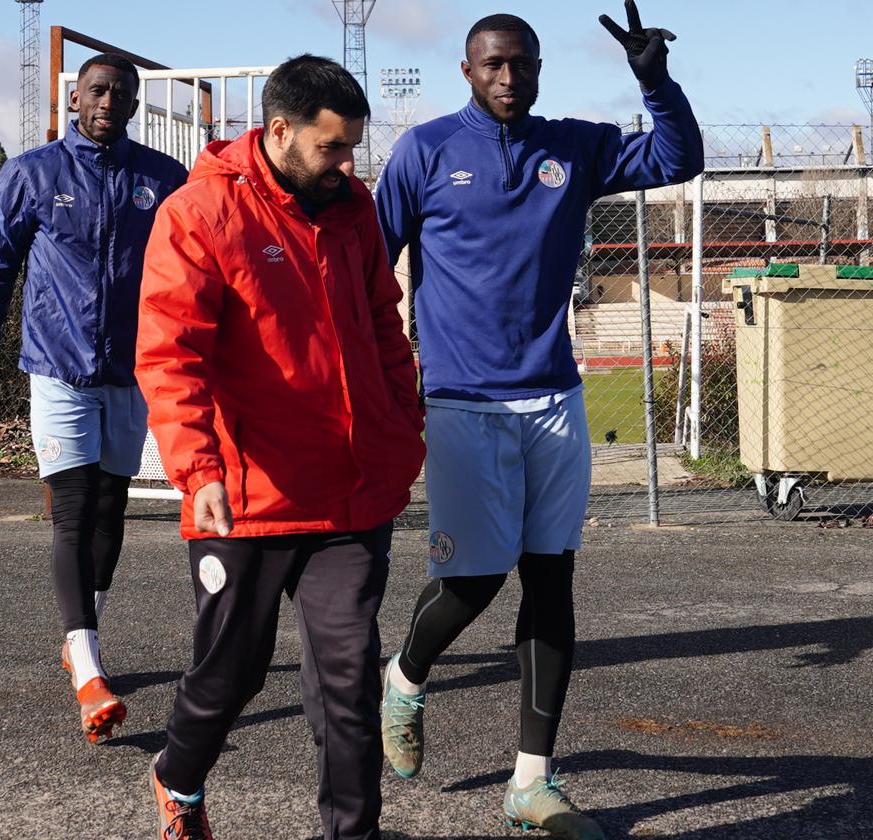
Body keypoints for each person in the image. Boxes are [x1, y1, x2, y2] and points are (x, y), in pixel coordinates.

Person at [373, 4, 703, 838]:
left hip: (555, 396)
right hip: (460, 402)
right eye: (492, 64)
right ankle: (405, 679)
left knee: (551, 579)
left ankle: (532, 783)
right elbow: (369, 265)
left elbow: (677, 156)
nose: (508, 77)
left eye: (521, 63)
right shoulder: (424, 152)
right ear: (466, 71)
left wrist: (653, 81)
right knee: (475, 582)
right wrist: (379, 373)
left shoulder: (576, 145)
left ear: (540, 66)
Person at [136, 54, 425, 840]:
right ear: (279, 132)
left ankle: (351, 834)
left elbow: (381, 325)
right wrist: (196, 469)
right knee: (231, 673)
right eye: (332, 148)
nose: (347, 164)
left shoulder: (353, 207)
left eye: (353, 148)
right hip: (245, 497)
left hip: (349, 491)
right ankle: (178, 777)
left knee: (348, 680)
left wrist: (404, 423)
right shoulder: (199, 213)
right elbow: (170, 357)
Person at [0, 53, 188, 744]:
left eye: (121, 92)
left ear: (134, 102)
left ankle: (83, 629)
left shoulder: (163, 179)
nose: (108, 101)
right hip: (56, 367)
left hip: (131, 372)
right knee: (73, 509)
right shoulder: (32, 173)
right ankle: (88, 668)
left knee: (112, 507)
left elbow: (191, 274)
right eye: (96, 90)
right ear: (74, 98)